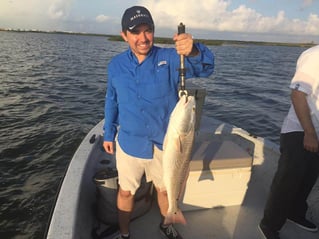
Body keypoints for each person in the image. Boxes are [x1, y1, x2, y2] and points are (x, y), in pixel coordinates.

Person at [103, 5, 214, 239]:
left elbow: (206, 68)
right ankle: (124, 233)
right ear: (124, 35)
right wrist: (107, 132)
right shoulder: (115, 66)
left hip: (165, 143)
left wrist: (193, 50)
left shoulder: (170, 58)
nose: (143, 38)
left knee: (165, 191)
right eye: (136, 32)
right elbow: (112, 100)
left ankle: (168, 224)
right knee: (125, 192)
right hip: (129, 143)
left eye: (148, 30)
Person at [259, 45, 319, 239]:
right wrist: (309, 133)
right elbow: (298, 94)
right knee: (288, 182)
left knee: (308, 179)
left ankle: (295, 213)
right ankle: (269, 224)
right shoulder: (315, 56)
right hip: (300, 131)